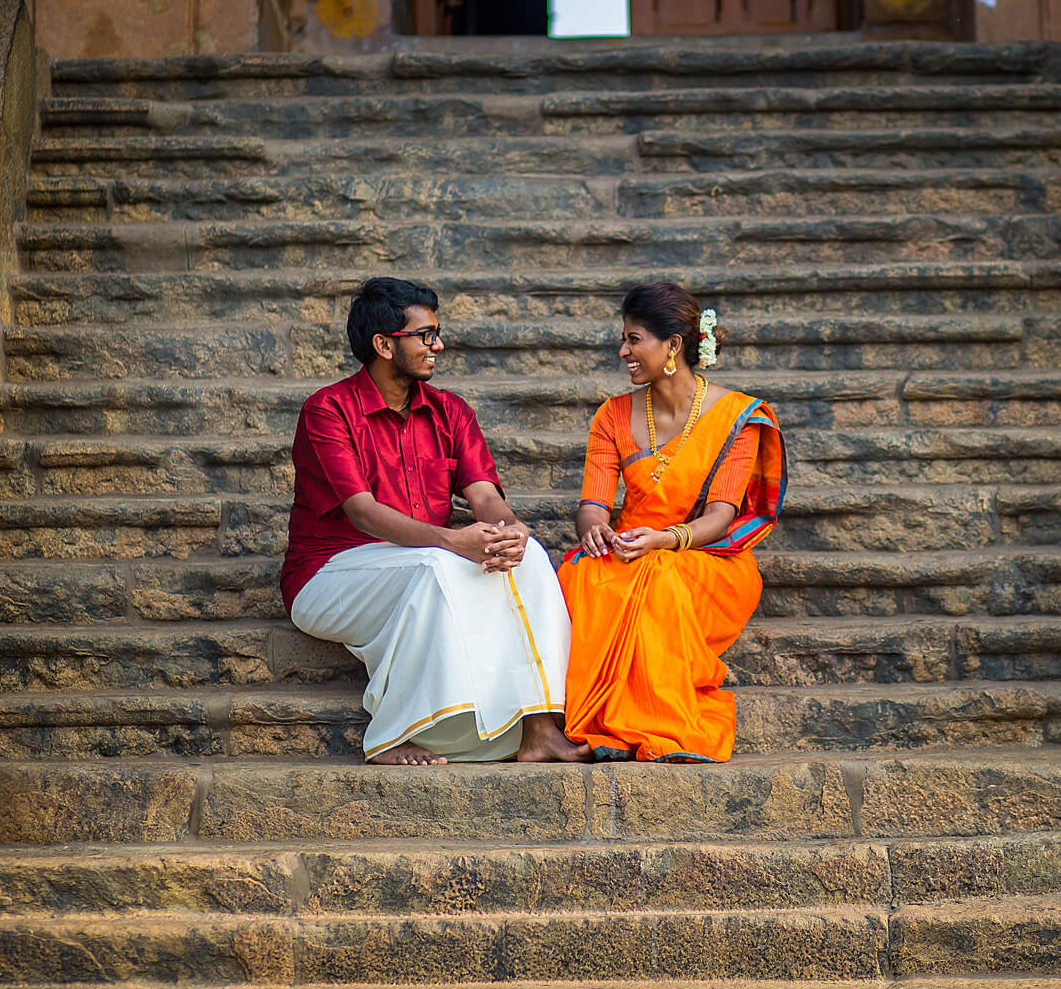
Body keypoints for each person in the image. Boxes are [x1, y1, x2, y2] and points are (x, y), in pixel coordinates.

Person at [282, 277, 592, 766]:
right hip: (329, 574)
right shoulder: (329, 410)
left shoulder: (449, 411)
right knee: (435, 567)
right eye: (425, 335)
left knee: (528, 556)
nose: (438, 345)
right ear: (384, 344)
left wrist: (508, 529)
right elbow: (362, 511)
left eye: (436, 332)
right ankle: (392, 734)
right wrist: (453, 541)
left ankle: (539, 729)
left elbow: (485, 494)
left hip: (423, 558)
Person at [558, 282, 787, 763]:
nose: (623, 351)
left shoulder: (736, 417)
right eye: (624, 338)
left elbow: (722, 518)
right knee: (578, 575)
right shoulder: (612, 415)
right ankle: (610, 722)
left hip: (705, 560)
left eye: (633, 339)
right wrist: (594, 528)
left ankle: (653, 724)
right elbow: (594, 503)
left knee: (660, 577)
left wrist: (665, 540)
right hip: (629, 549)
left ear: (674, 346)